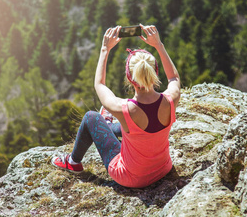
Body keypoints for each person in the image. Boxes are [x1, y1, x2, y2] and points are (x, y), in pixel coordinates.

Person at [52, 24, 180, 188]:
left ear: (129, 77)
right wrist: (159, 45)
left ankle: (72, 162)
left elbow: (99, 85)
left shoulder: (124, 109)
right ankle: (109, 125)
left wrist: (105, 49)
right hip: (162, 169)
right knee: (128, 128)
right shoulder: (170, 100)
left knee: (92, 117)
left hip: (132, 178)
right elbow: (174, 78)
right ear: (154, 72)